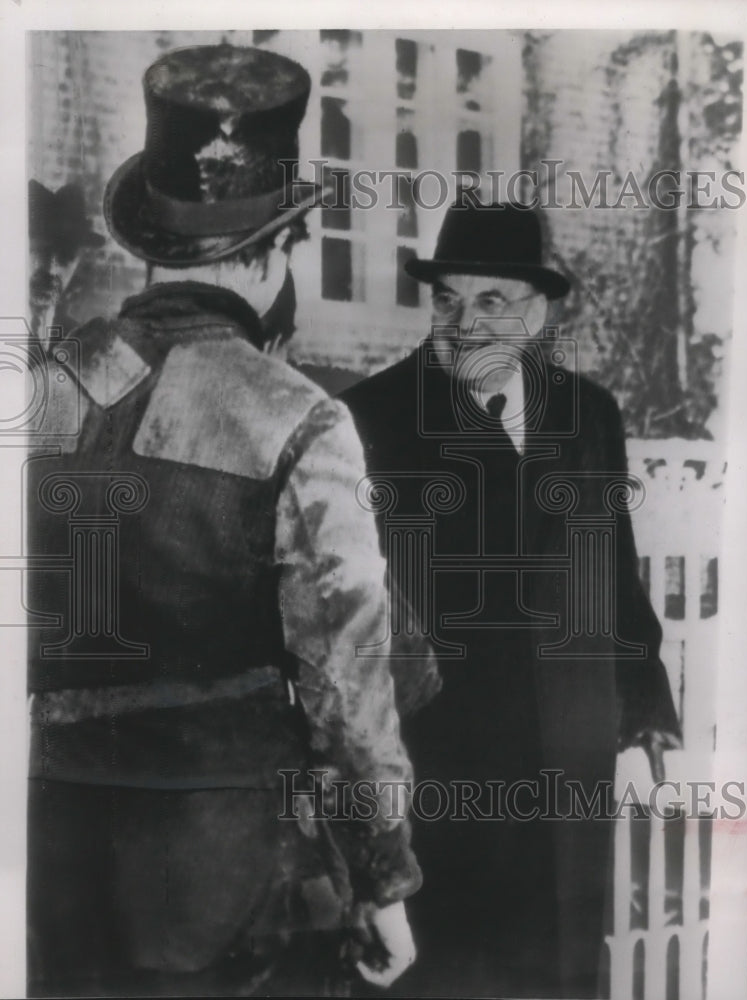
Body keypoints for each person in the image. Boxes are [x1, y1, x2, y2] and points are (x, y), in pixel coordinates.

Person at [26, 44, 426, 998]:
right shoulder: (301, 418)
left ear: (149, 240)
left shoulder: (36, 392)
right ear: (281, 248)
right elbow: (348, 683)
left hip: (49, 851)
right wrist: (383, 880)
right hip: (225, 867)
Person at [341, 200, 682, 998]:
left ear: (537, 311)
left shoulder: (589, 414)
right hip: (443, 767)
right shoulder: (373, 417)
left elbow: (615, 576)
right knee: (450, 969)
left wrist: (641, 711)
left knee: (562, 965)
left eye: (491, 300)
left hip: (570, 757)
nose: (464, 322)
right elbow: (349, 617)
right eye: (448, 299)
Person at [28, 179, 105, 352]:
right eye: (43, 252)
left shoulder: (77, 341)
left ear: (77, 262)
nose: (52, 268)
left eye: (66, 257)